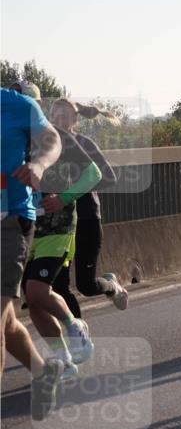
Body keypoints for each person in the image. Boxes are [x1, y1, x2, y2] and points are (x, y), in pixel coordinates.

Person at [23, 101, 104, 378]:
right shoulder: (10, 138)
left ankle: (74, 326)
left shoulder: (58, 137)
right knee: (33, 301)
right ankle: (63, 358)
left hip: (58, 227)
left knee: (36, 290)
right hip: (23, 227)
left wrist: (65, 198)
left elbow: (95, 173)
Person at [1, 82, 66, 418]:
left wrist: (39, 164)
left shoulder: (17, 103)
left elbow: (52, 139)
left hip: (9, 219)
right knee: (7, 322)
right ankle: (44, 372)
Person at [47, 98, 129, 315]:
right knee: (60, 287)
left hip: (86, 219)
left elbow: (109, 178)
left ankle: (111, 285)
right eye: (54, 116)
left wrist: (73, 190)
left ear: (75, 119)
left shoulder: (84, 144)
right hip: (60, 224)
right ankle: (79, 340)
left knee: (86, 285)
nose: (58, 120)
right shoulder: (45, 146)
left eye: (63, 116)